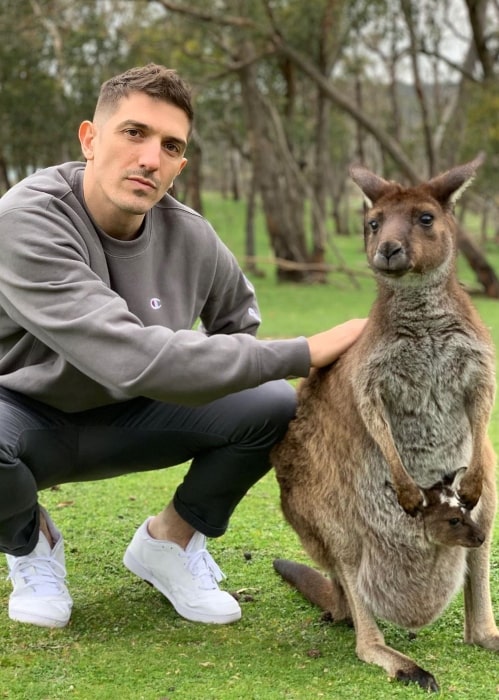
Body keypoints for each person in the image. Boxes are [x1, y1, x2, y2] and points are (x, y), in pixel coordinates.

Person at [0, 63, 366, 629]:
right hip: (25, 419)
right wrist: (304, 349)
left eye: (171, 146)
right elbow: (128, 356)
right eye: (134, 133)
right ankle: (32, 543)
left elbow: (237, 333)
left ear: (180, 165)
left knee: (271, 402)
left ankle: (169, 544)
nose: (150, 157)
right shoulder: (27, 219)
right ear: (90, 138)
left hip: (137, 416)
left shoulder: (192, 235)